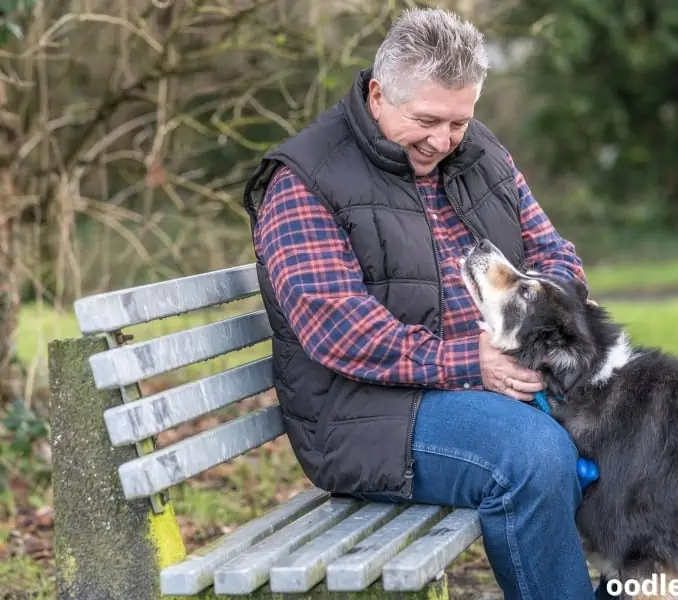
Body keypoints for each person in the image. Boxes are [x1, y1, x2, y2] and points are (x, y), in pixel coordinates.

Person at [243, 8, 616, 600]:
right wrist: (475, 361)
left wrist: (539, 331)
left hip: (488, 386)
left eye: (458, 123)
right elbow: (342, 331)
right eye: (426, 121)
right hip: (366, 414)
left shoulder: (483, 154)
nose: (443, 142)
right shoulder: (304, 181)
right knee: (532, 455)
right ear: (377, 94)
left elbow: (554, 255)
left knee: (658, 421)